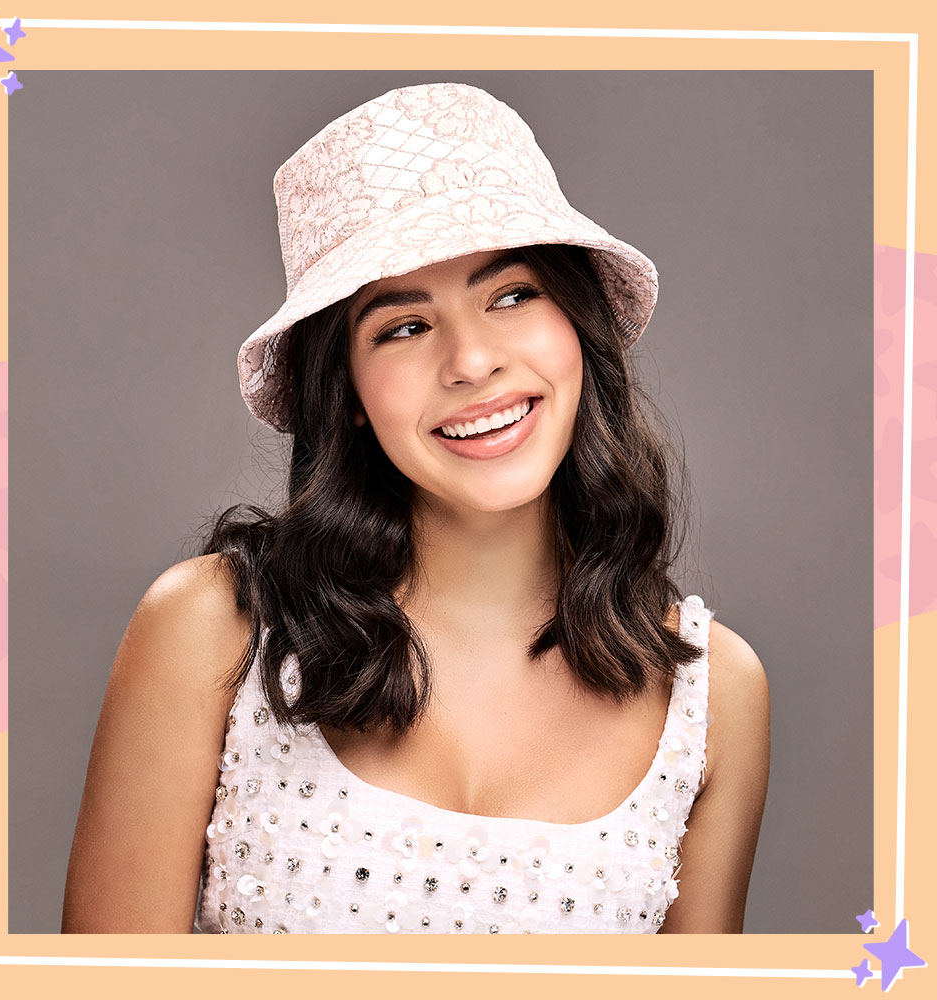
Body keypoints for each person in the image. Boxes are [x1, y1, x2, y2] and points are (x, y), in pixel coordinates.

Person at [62, 83, 769, 935]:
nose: (472, 361)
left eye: (511, 295)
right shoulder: (214, 629)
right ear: (349, 392)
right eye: (402, 326)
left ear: (579, 324)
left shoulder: (711, 691)